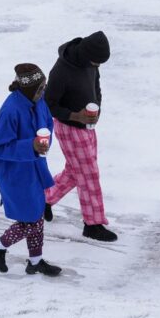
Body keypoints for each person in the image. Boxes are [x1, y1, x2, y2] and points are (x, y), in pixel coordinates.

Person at [0, 63, 62, 276]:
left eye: (44, 86)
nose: (43, 91)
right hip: (14, 173)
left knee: (35, 214)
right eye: (39, 88)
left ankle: (35, 261)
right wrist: (31, 146)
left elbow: (47, 124)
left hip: (33, 166)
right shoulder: (10, 111)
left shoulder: (39, 101)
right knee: (30, 219)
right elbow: (0, 147)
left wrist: (40, 145)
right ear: (28, 89)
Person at [43, 31, 117, 242]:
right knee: (89, 175)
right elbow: (49, 104)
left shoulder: (92, 64)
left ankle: (44, 199)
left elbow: (96, 88)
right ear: (85, 54)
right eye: (96, 61)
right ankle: (92, 225)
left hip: (87, 127)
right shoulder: (61, 71)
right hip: (69, 127)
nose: (98, 66)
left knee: (76, 171)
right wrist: (75, 115)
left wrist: (97, 110)